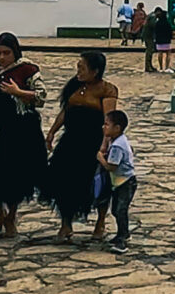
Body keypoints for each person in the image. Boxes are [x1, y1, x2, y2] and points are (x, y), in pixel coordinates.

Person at [0, 32, 48, 240]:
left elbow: (41, 96)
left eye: (6, 53)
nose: (2, 57)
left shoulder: (27, 70)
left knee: (15, 174)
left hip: (19, 130)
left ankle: (11, 215)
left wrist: (18, 92)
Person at [42, 52, 119, 243]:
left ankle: (100, 222)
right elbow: (65, 112)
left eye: (82, 68)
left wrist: (104, 145)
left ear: (95, 71)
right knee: (63, 181)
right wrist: (52, 132)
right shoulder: (74, 87)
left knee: (97, 183)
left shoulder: (107, 90)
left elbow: (108, 119)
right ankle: (65, 223)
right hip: (70, 142)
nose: (78, 71)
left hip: (92, 142)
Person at [96, 109, 136, 255]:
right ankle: (122, 233)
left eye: (107, 125)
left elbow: (111, 166)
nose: (103, 127)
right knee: (116, 209)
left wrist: (100, 158)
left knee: (120, 210)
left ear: (117, 128)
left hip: (125, 182)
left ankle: (122, 240)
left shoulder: (118, 146)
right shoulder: (116, 140)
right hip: (120, 182)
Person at [143, 7, 159, 73]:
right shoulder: (153, 17)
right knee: (149, 51)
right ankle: (148, 67)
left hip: (148, 35)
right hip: (149, 36)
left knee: (150, 51)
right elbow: (153, 25)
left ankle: (150, 65)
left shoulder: (151, 15)